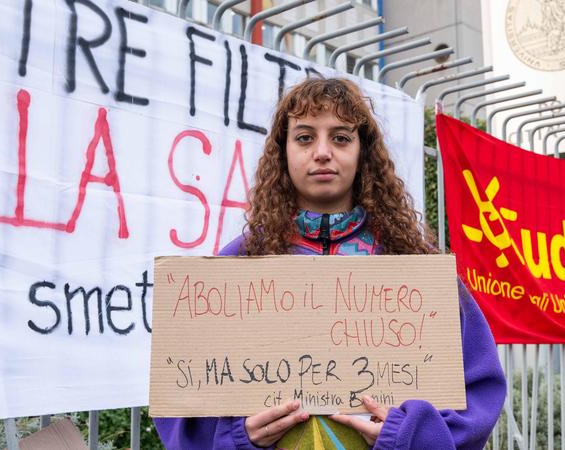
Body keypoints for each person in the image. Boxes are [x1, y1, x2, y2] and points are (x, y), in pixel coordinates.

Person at [154, 77, 506, 449]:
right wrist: (237, 437)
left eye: (340, 138)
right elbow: (181, 399)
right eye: (305, 137)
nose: (322, 152)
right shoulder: (239, 263)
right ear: (283, 151)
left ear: (362, 153)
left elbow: (479, 394)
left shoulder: (415, 267)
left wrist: (410, 434)